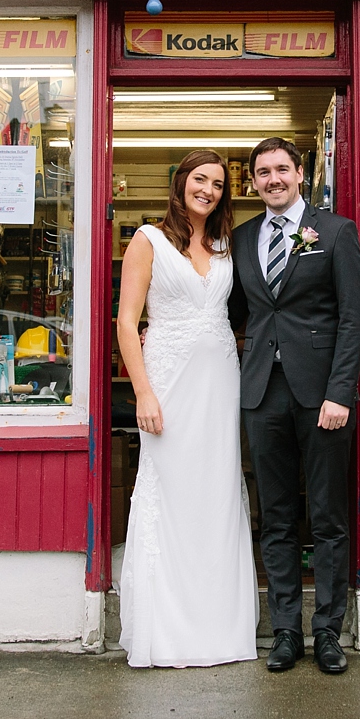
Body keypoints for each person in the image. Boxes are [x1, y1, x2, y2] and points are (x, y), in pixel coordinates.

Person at [228, 136, 360, 676]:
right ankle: (286, 629)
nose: (273, 180)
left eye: (281, 169)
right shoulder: (242, 238)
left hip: (322, 395)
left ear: (301, 173)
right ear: (254, 181)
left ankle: (327, 630)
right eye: (263, 173)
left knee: (328, 516)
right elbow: (238, 311)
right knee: (279, 517)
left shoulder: (334, 231)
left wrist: (341, 392)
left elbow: (353, 319)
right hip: (263, 392)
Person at [113, 151, 258, 668]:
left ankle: (220, 626)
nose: (209, 190)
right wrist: (144, 393)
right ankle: (167, 629)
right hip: (168, 384)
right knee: (170, 494)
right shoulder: (147, 240)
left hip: (219, 382)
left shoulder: (226, 246)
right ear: (180, 183)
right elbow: (126, 324)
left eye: (218, 184)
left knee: (217, 494)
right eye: (200, 180)